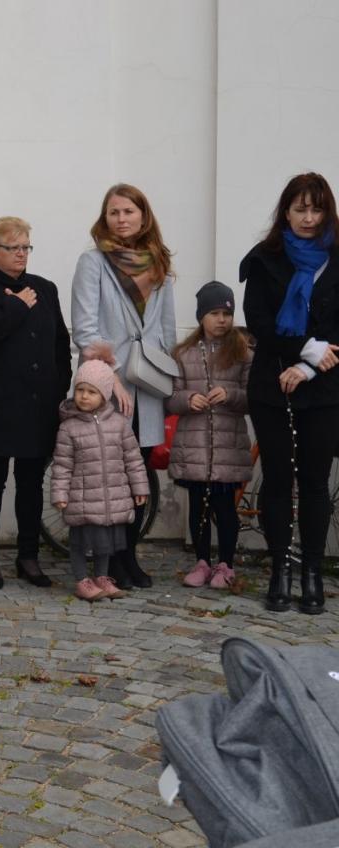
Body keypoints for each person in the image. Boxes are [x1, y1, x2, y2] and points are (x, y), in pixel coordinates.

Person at [241, 172, 339, 614]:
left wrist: (309, 364)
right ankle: (279, 568)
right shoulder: (265, 259)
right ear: (286, 211)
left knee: (316, 482)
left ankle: (311, 572)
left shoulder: (337, 258)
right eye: (300, 209)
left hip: (326, 388)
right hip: (272, 385)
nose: (308, 218)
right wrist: (303, 348)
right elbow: (259, 321)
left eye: (316, 209)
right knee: (278, 480)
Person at [71, 183, 176, 590]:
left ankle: (129, 553)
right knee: (108, 475)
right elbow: (84, 327)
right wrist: (108, 374)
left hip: (147, 382)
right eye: (113, 212)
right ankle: (110, 560)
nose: (121, 219)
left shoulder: (159, 261)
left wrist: (167, 375)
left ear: (143, 215)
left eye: (129, 211)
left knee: (138, 472)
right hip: (107, 383)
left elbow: (166, 326)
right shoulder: (93, 262)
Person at [0, 216, 72, 590]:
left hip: (38, 405)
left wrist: (59, 387)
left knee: (31, 484)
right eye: (12, 247)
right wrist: (17, 306)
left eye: (26, 247)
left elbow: (59, 343)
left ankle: (28, 556)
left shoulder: (45, 288)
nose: (21, 254)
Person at [168, 281, 253, 590]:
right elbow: (169, 397)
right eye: (215, 313)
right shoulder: (183, 353)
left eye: (227, 314)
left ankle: (226, 564)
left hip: (228, 446)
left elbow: (252, 398)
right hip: (194, 446)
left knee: (226, 508)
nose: (222, 320)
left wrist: (230, 395)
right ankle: (202, 562)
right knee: (198, 507)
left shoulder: (243, 353)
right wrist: (187, 399)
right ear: (201, 316)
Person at [50, 361, 150, 601]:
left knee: (105, 541)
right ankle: (81, 579)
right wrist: (60, 493)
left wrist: (139, 487)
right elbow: (62, 465)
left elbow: (133, 459)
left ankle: (102, 577)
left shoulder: (119, 424)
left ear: (104, 395)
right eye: (80, 390)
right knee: (79, 541)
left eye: (91, 391)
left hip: (111, 497)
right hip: (82, 497)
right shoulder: (68, 428)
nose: (84, 396)